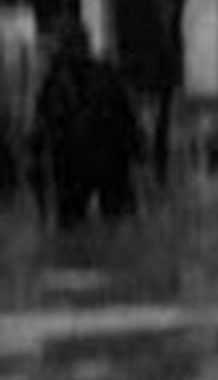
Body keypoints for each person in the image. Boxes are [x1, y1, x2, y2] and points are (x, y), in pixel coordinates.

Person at [29, 17, 142, 230]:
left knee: (106, 221)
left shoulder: (100, 76)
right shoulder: (56, 82)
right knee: (82, 222)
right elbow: (41, 124)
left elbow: (126, 118)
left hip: (100, 164)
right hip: (76, 166)